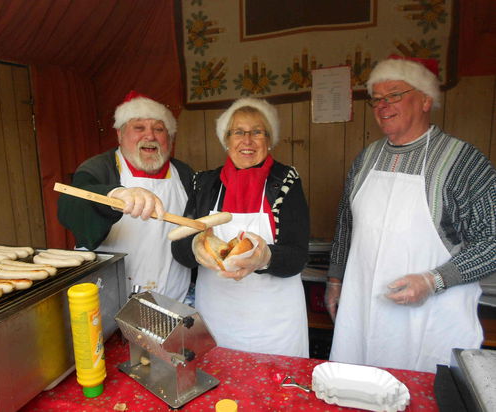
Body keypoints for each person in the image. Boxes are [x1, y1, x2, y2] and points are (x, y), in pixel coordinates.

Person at [325, 56, 496, 373]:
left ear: (426, 99)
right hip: (361, 311)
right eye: (376, 99)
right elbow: (346, 226)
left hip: (430, 319)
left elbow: (492, 241)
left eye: (394, 95)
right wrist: (335, 281)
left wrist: (435, 281)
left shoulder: (463, 162)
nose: (382, 105)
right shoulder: (366, 158)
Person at [172, 98, 310, 357]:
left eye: (257, 132)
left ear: (269, 140)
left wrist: (265, 257)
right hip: (217, 317)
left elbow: (298, 256)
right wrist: (194, 247)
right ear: (226, 140)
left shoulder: (287, 181)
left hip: (275, 322)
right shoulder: (203, 183)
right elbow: (179, 248)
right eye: (238, 132)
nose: (247, 140)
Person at [58, 91, 194, 301]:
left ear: (169, 138)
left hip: (173, 297)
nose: (150, 136)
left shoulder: (184, 174)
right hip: (111, 298)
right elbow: (70, 208)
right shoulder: (98, 168)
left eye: (159, 129)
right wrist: (114, 194)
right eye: (139, 128)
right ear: (120, 135)